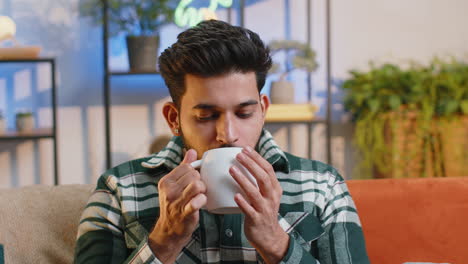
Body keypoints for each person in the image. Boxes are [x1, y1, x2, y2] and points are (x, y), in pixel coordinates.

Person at [74, 20, 369, 264]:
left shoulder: (322, 185)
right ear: (173, 118)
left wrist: (276, 243)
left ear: (263, 110)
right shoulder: (119, 189)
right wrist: (165, 240)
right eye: (206, 116)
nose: (227, 134)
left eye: (244, 113)